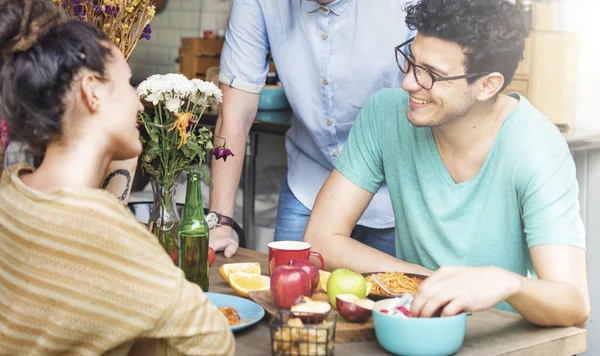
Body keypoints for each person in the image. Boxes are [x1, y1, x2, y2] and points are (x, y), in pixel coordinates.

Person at [303, 0, 590, 327]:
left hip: (505, 339)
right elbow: (320, 240)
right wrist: (439, 281)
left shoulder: (537, 147)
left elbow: (573, 303)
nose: (409, 83)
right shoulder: (386, 114)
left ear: (487, 85)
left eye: (432, 75)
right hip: (419, 329)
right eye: (412, 62)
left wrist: (504, 283)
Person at [0, 0, 235, 354]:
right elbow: (213, 340)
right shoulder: (106, 231)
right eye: (128, 83)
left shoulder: (10, 193)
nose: (140, 103)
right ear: (92, 90)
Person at [208, 0, 414, 258]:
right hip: (311, 183)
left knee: (390, 295)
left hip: (395, 190)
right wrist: (220, 223)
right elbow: (234, 114)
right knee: (286, 289)